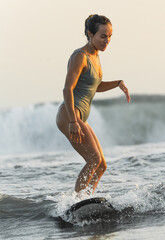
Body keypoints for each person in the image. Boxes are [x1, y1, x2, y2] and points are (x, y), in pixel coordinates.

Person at [56, 14, 131, 196]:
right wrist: (73, 122)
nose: (107, 41)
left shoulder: (95, 56)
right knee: (93, 159)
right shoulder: (80, 57)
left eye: (110, 36)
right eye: (103, 36)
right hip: (69, 114)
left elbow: (94, 86)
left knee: (102, 165)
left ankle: (87, 199)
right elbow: (67, 89)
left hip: (78, 116)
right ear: (90, 34)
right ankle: (77, 201)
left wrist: (117, 82)